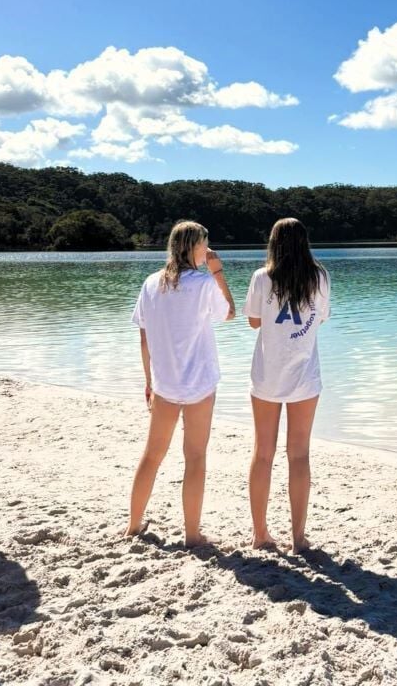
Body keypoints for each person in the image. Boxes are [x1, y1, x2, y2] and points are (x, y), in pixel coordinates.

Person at [126, 220, 235, 546]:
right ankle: (191, 534)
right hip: (199, 383)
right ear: (194, 247)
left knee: (152, 455)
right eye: (205, 243)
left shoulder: (151, 283)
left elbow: (144, 338)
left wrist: (149, 381)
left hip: (165, 385)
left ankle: (133, 525)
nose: (208, 249)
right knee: (195, 457)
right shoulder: (204, 284)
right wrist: (217, 272)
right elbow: (229, 312)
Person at [243, 218, 330, 553]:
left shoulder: (261, 277)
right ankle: (298, 537)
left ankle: (260, 534)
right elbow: (320, 318)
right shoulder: (319, 277)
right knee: (299, 455)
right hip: (304, 376)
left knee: (263, 453)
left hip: (267, 375)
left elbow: (253, 322)